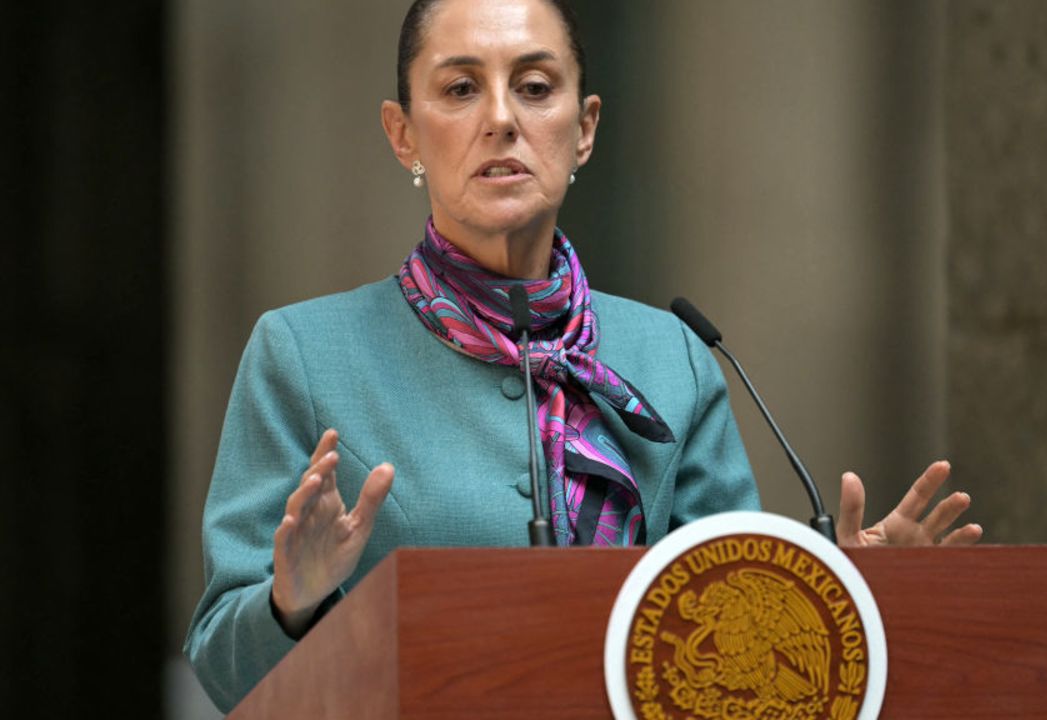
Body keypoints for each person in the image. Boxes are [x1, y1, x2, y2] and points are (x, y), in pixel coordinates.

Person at [184, 0, 982, 712]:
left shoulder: (673, 357)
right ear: (403, 134)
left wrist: (838, 589)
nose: (501, 118)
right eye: (461, 89)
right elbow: (223, 667)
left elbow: (727, 628)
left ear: (586, 127)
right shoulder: (305, 354)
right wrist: (294, 599)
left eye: (535, 87)